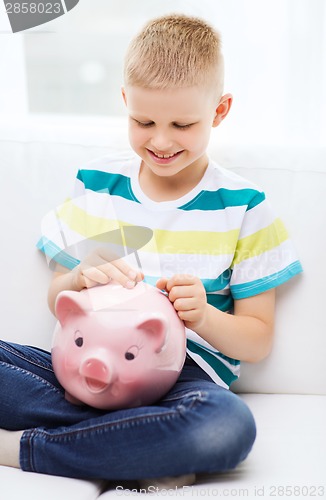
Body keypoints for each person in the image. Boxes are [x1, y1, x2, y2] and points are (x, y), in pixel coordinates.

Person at [0, 14, 302, 488]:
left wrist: (203, 316)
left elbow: (257, 341)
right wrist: (76, 277)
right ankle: (139, 448)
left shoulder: (245, 207)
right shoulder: (97, 185)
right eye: (144, 121)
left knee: (226, 427)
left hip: (182, 384)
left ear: (220, 111)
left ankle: (28, 447)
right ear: (125, 102)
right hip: (81, 370)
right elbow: (58, 298)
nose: (160, 141)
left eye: (182, 124)